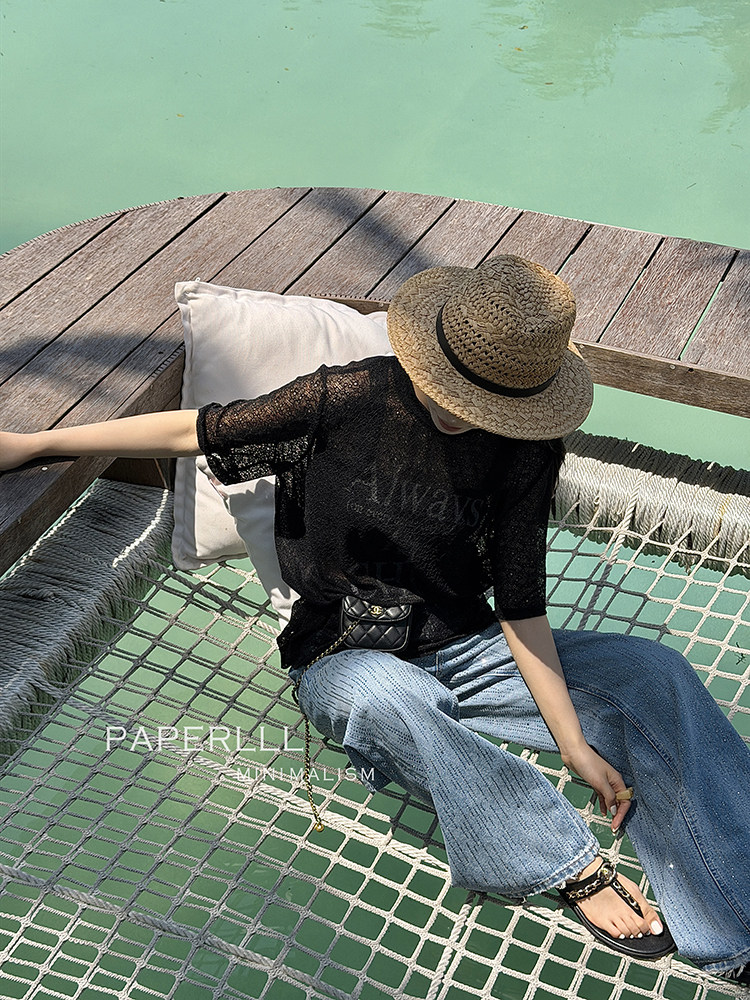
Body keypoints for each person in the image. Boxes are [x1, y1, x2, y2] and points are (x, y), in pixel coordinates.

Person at [1, 256, 748, 982]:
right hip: (343, 653)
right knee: (388, 698)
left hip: (468, 647)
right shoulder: (349, 396)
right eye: (452, 391)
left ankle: (732, 920)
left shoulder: (525, 451)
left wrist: (574, 744)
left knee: (653, 673)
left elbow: (521, 606)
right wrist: (39, 445)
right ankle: (564, 865)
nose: (458, 413)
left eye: (484, 406)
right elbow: (197, 431)